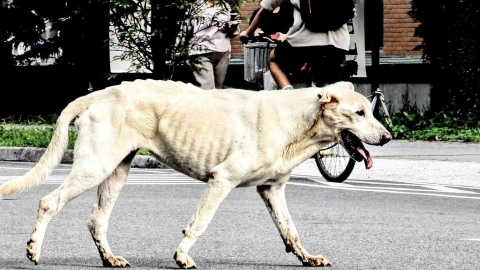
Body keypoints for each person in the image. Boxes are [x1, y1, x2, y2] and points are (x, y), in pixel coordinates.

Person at [240, 0, 353, 90]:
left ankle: (288, 92)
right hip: (338, 44)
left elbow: (264, 10)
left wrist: (248, 33)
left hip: (303, 43)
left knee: (273, 59)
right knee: (323, 82)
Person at [182, 0, 240, 89]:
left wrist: (234, 26)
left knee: (218, 89)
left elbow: (232, 33)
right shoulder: (195, 7)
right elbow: (185, 29)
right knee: (207, 88)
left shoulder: (225, 6)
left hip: (222, 51)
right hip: (201, 51)